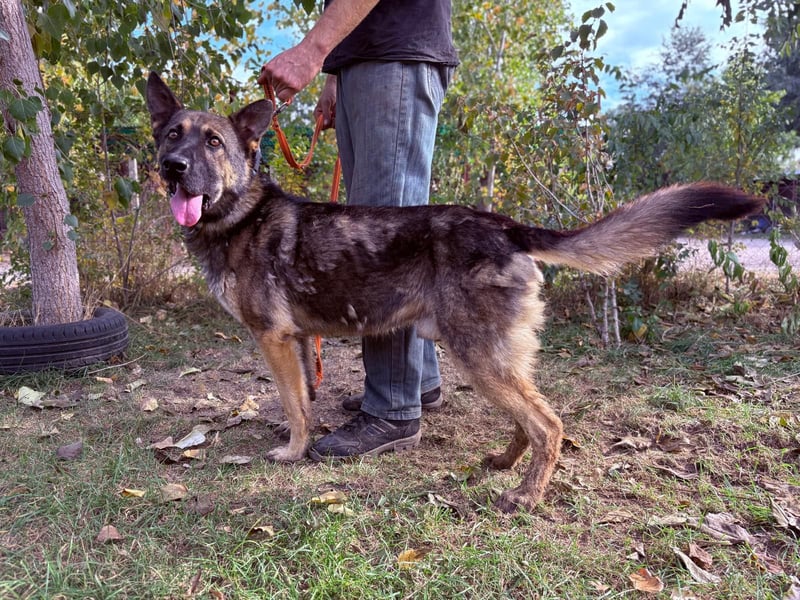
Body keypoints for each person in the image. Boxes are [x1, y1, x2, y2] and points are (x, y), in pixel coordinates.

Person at [258, 0, 458, 460]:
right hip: (367, 60)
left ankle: (393, 407)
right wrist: (334, 73)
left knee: (383, 241)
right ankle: (419, 383)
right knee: (391, 219)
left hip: (395, 54)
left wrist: (311, 51)